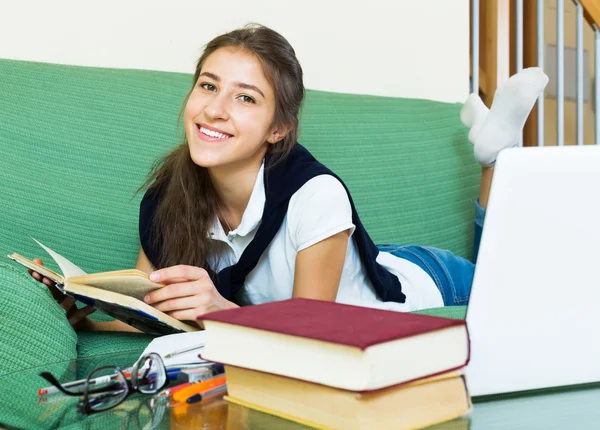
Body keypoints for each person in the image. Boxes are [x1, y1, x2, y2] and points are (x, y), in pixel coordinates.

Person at [29, 24, 548, 332]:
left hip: (424, 280)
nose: (214, 110)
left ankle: (492, 154)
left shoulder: (317, 194)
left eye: (245, 97)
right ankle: (492, 151)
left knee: (523, 283)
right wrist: (85, 310)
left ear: (278, 128)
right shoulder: (170, 196)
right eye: (208, 86)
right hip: (345, 258)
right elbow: (150, 312)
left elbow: (311, 335)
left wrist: (220, 308)